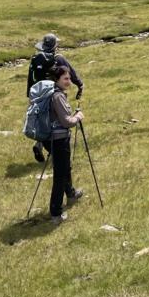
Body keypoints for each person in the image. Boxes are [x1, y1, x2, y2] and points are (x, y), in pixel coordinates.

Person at [26, 33, 82, 162]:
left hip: (38, 95)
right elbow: (69, 73)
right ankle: (55, 152)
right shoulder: (58, 58)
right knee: (56, 122)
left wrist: (30, 96)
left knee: (43, 120)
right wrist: (80, 84)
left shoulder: (36, 58)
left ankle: (39, 143)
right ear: (55, 45)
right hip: (54, 94)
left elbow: (30, 79)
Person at [47, 64, 85, 223]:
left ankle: (70, 193)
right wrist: (78, 117)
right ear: (57, 79)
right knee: (60, 175)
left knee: (65, 168)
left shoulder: (54, 93)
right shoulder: (58, 97)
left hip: (55, 138)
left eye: (69, 78)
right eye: (65, 78)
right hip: (59, 139)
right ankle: (56, 213)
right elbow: (66, 121)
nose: (69, 81)